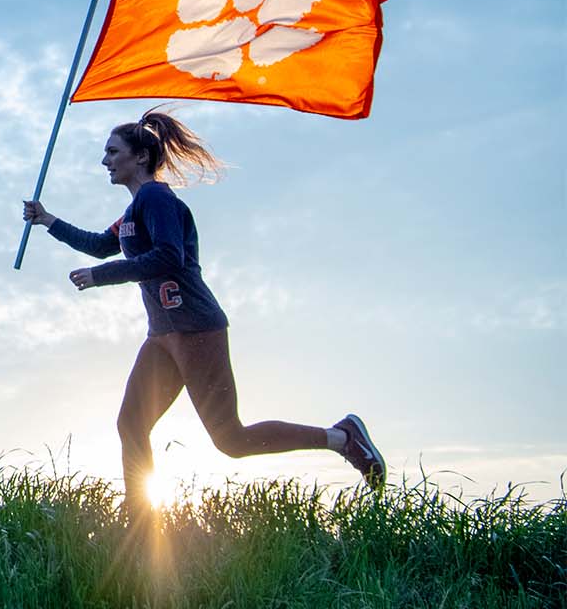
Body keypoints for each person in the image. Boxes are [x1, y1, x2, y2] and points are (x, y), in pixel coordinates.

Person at [21, 106, 384, 517]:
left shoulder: (156, 197)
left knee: (231, 439)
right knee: (131, 424)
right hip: (162, 336)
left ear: (140, 157)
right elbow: (100, 244)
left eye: (111, 151)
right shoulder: (132, 212)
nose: (104, 160)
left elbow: (168, 257)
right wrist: (48, 220)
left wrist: (100, 276)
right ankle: (140, 517)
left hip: (195, 328)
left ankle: (343, 438)